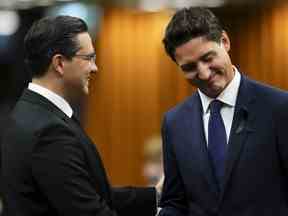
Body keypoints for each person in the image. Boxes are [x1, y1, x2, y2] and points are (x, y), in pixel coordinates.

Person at [1, 15, 158, 216]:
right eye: (89, 58)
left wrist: (156, 196)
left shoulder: (30, 113)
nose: (95, 67)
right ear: (59, 63)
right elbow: (87, 210)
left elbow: (87, 193)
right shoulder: (48, 131)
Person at [159, 7, 288, 216]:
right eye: (189, 67)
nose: (203, 73)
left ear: (225, 42)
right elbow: (175, 202)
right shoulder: (174, 123)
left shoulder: (279, 108)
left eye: (208, 58)